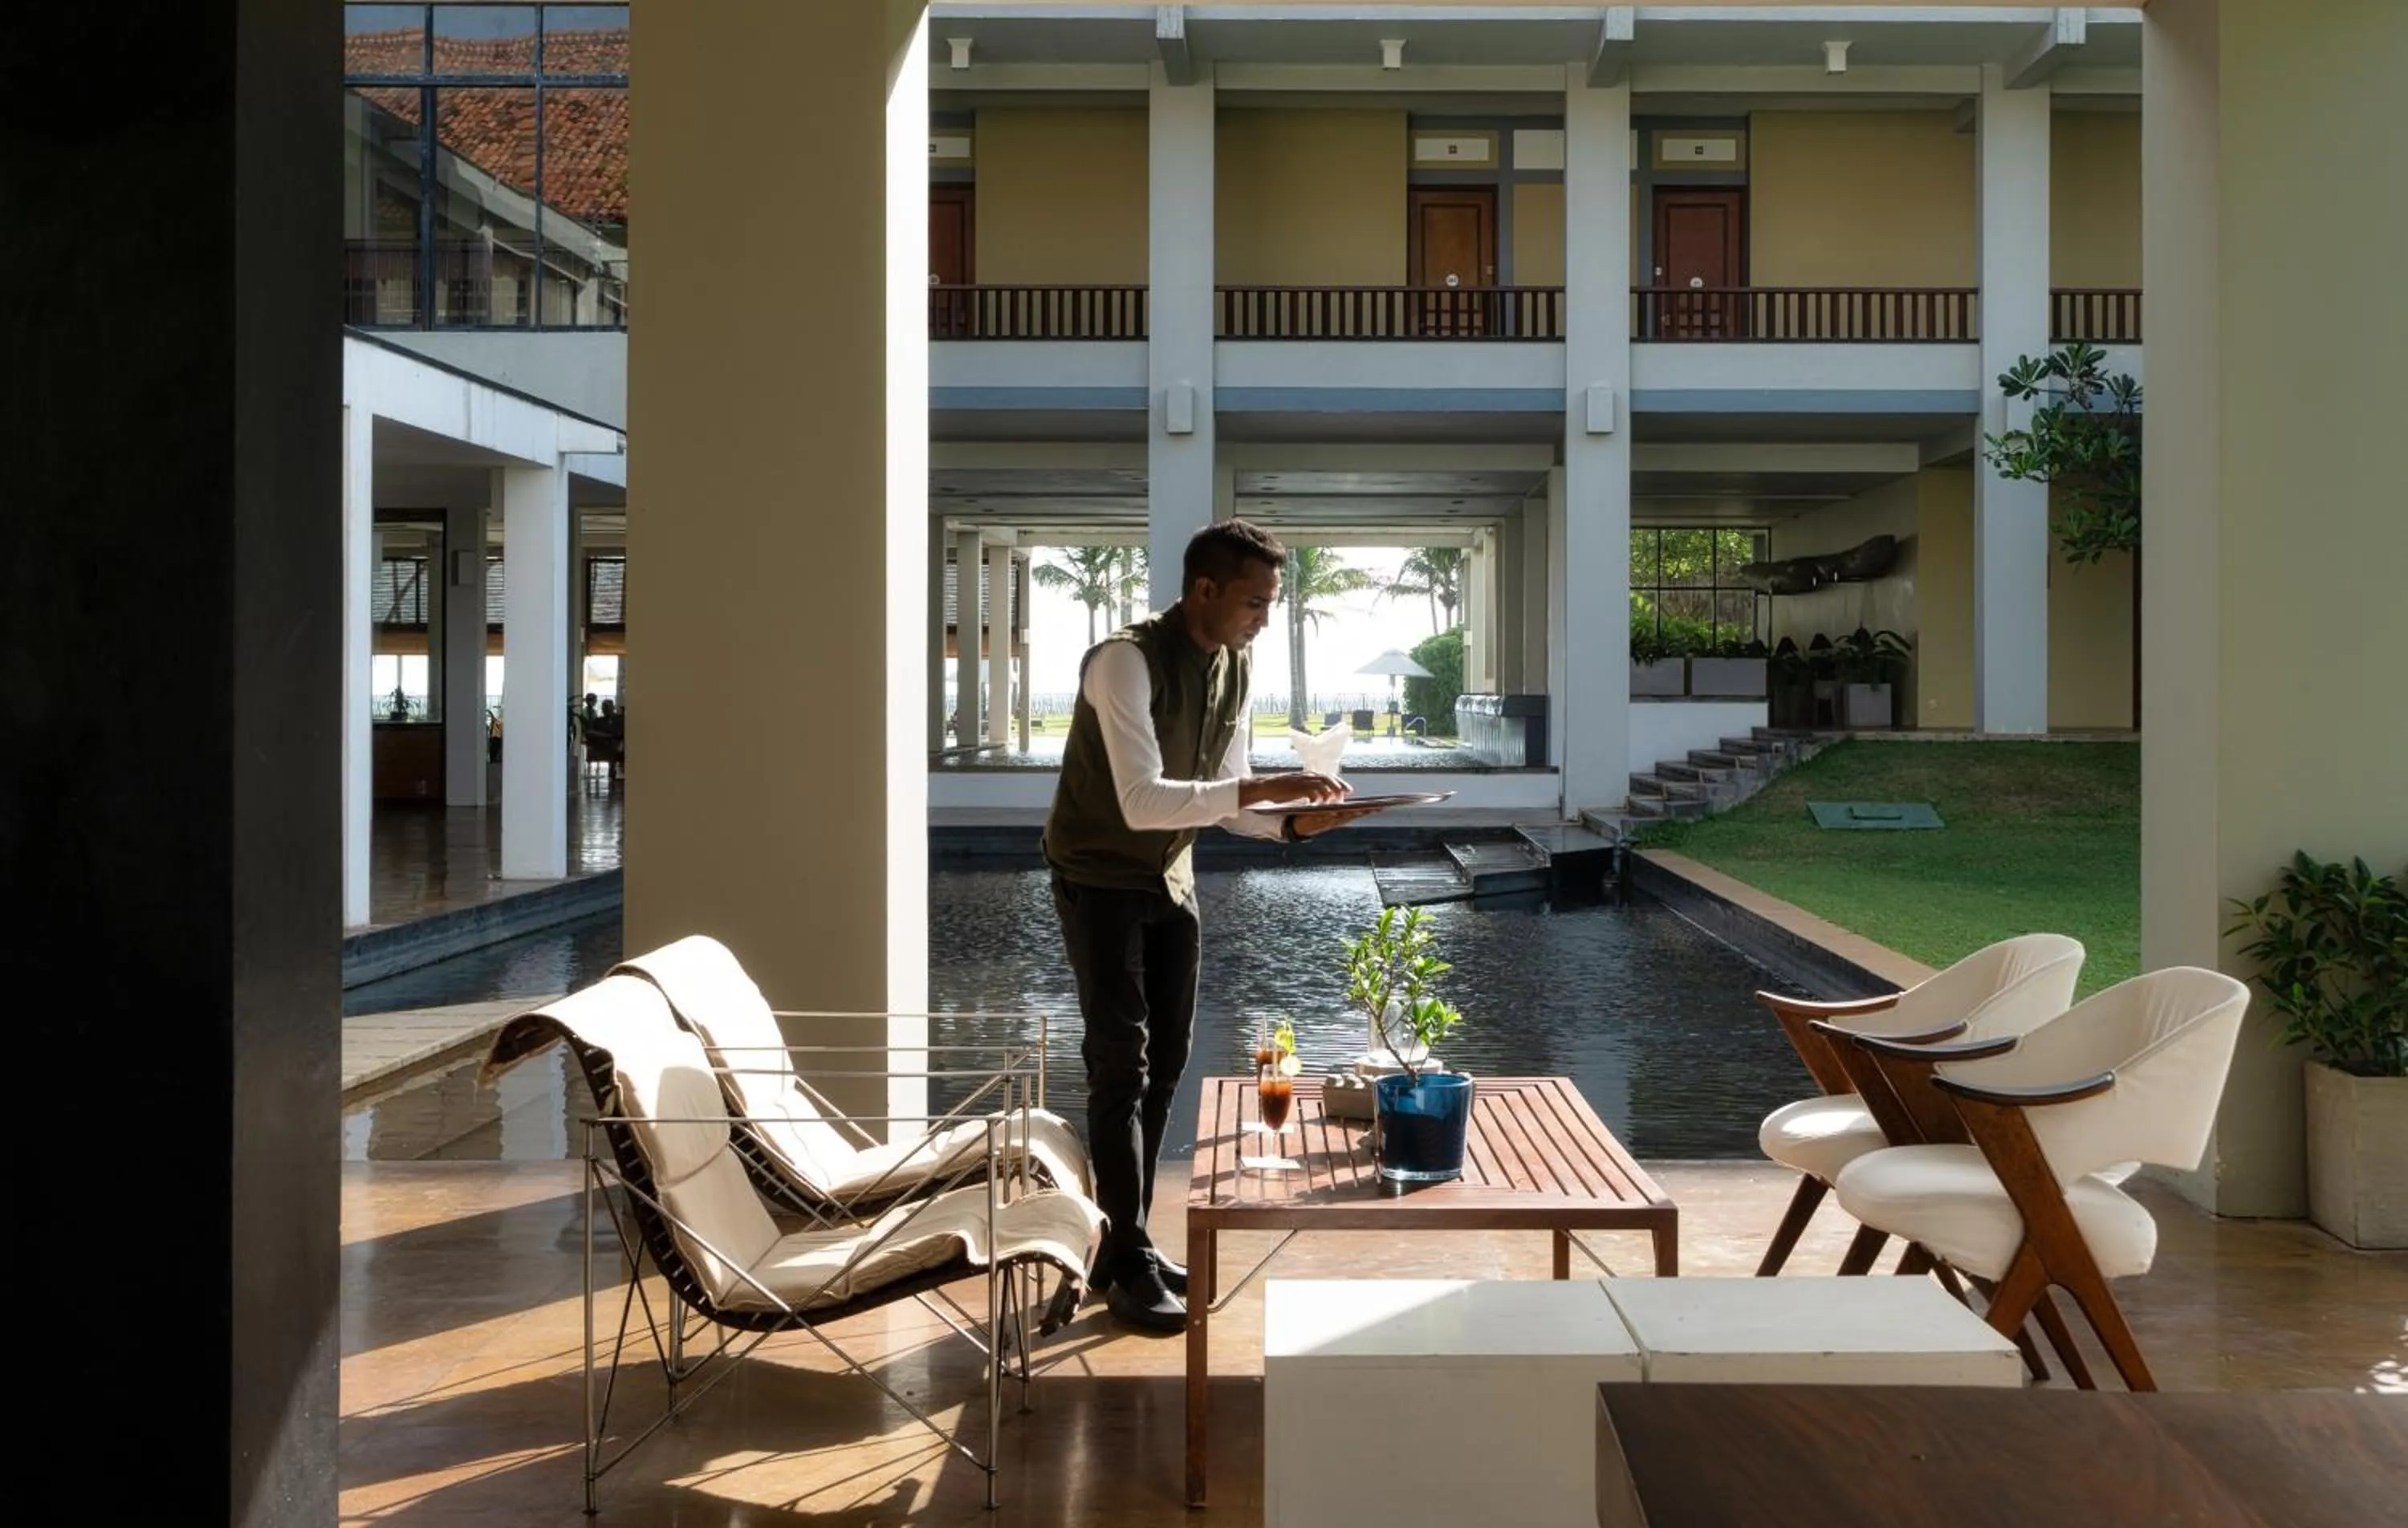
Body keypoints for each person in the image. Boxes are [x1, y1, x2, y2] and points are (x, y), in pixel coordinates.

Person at [1042, 519, 1378, 1333]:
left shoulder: (1235, 663)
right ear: (1204, 591)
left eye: (1271, 601)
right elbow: (1143, 800)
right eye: (1255, 601)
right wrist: (1265, 790)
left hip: (1168, 878)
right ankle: (1122, 1255)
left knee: (1166, 1068)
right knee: (1120, 1065)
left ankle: (1129, 1241)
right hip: (1098, 877)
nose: (1265, 615)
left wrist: (1295, 825)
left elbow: (1223, 795)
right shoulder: (1123, 660)